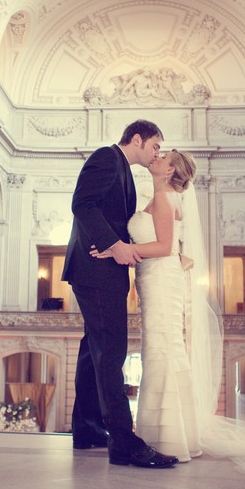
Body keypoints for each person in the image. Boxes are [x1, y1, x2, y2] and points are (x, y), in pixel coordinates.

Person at [93, 149, 245, 480]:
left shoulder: (166, 198)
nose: (155, 158)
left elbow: (164, 247)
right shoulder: (161, 196)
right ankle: (169, 434)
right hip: (152, 279)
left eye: (162, 156)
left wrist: (117, 250)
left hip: (160, 277)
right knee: (161, 349)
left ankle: (166, 437)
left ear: (169, 169)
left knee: (162, 350)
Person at [62, 119, 178, 469]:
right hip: (96, 272)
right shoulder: (106, 158)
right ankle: (123, 443)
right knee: (111, 352)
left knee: (93, 350)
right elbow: (82, 204)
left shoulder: (123, 170)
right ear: (138, 139)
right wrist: (113, 245)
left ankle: (87, 429)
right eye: (155, 146)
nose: (158, 153)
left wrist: (116, 245)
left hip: (98, 270)